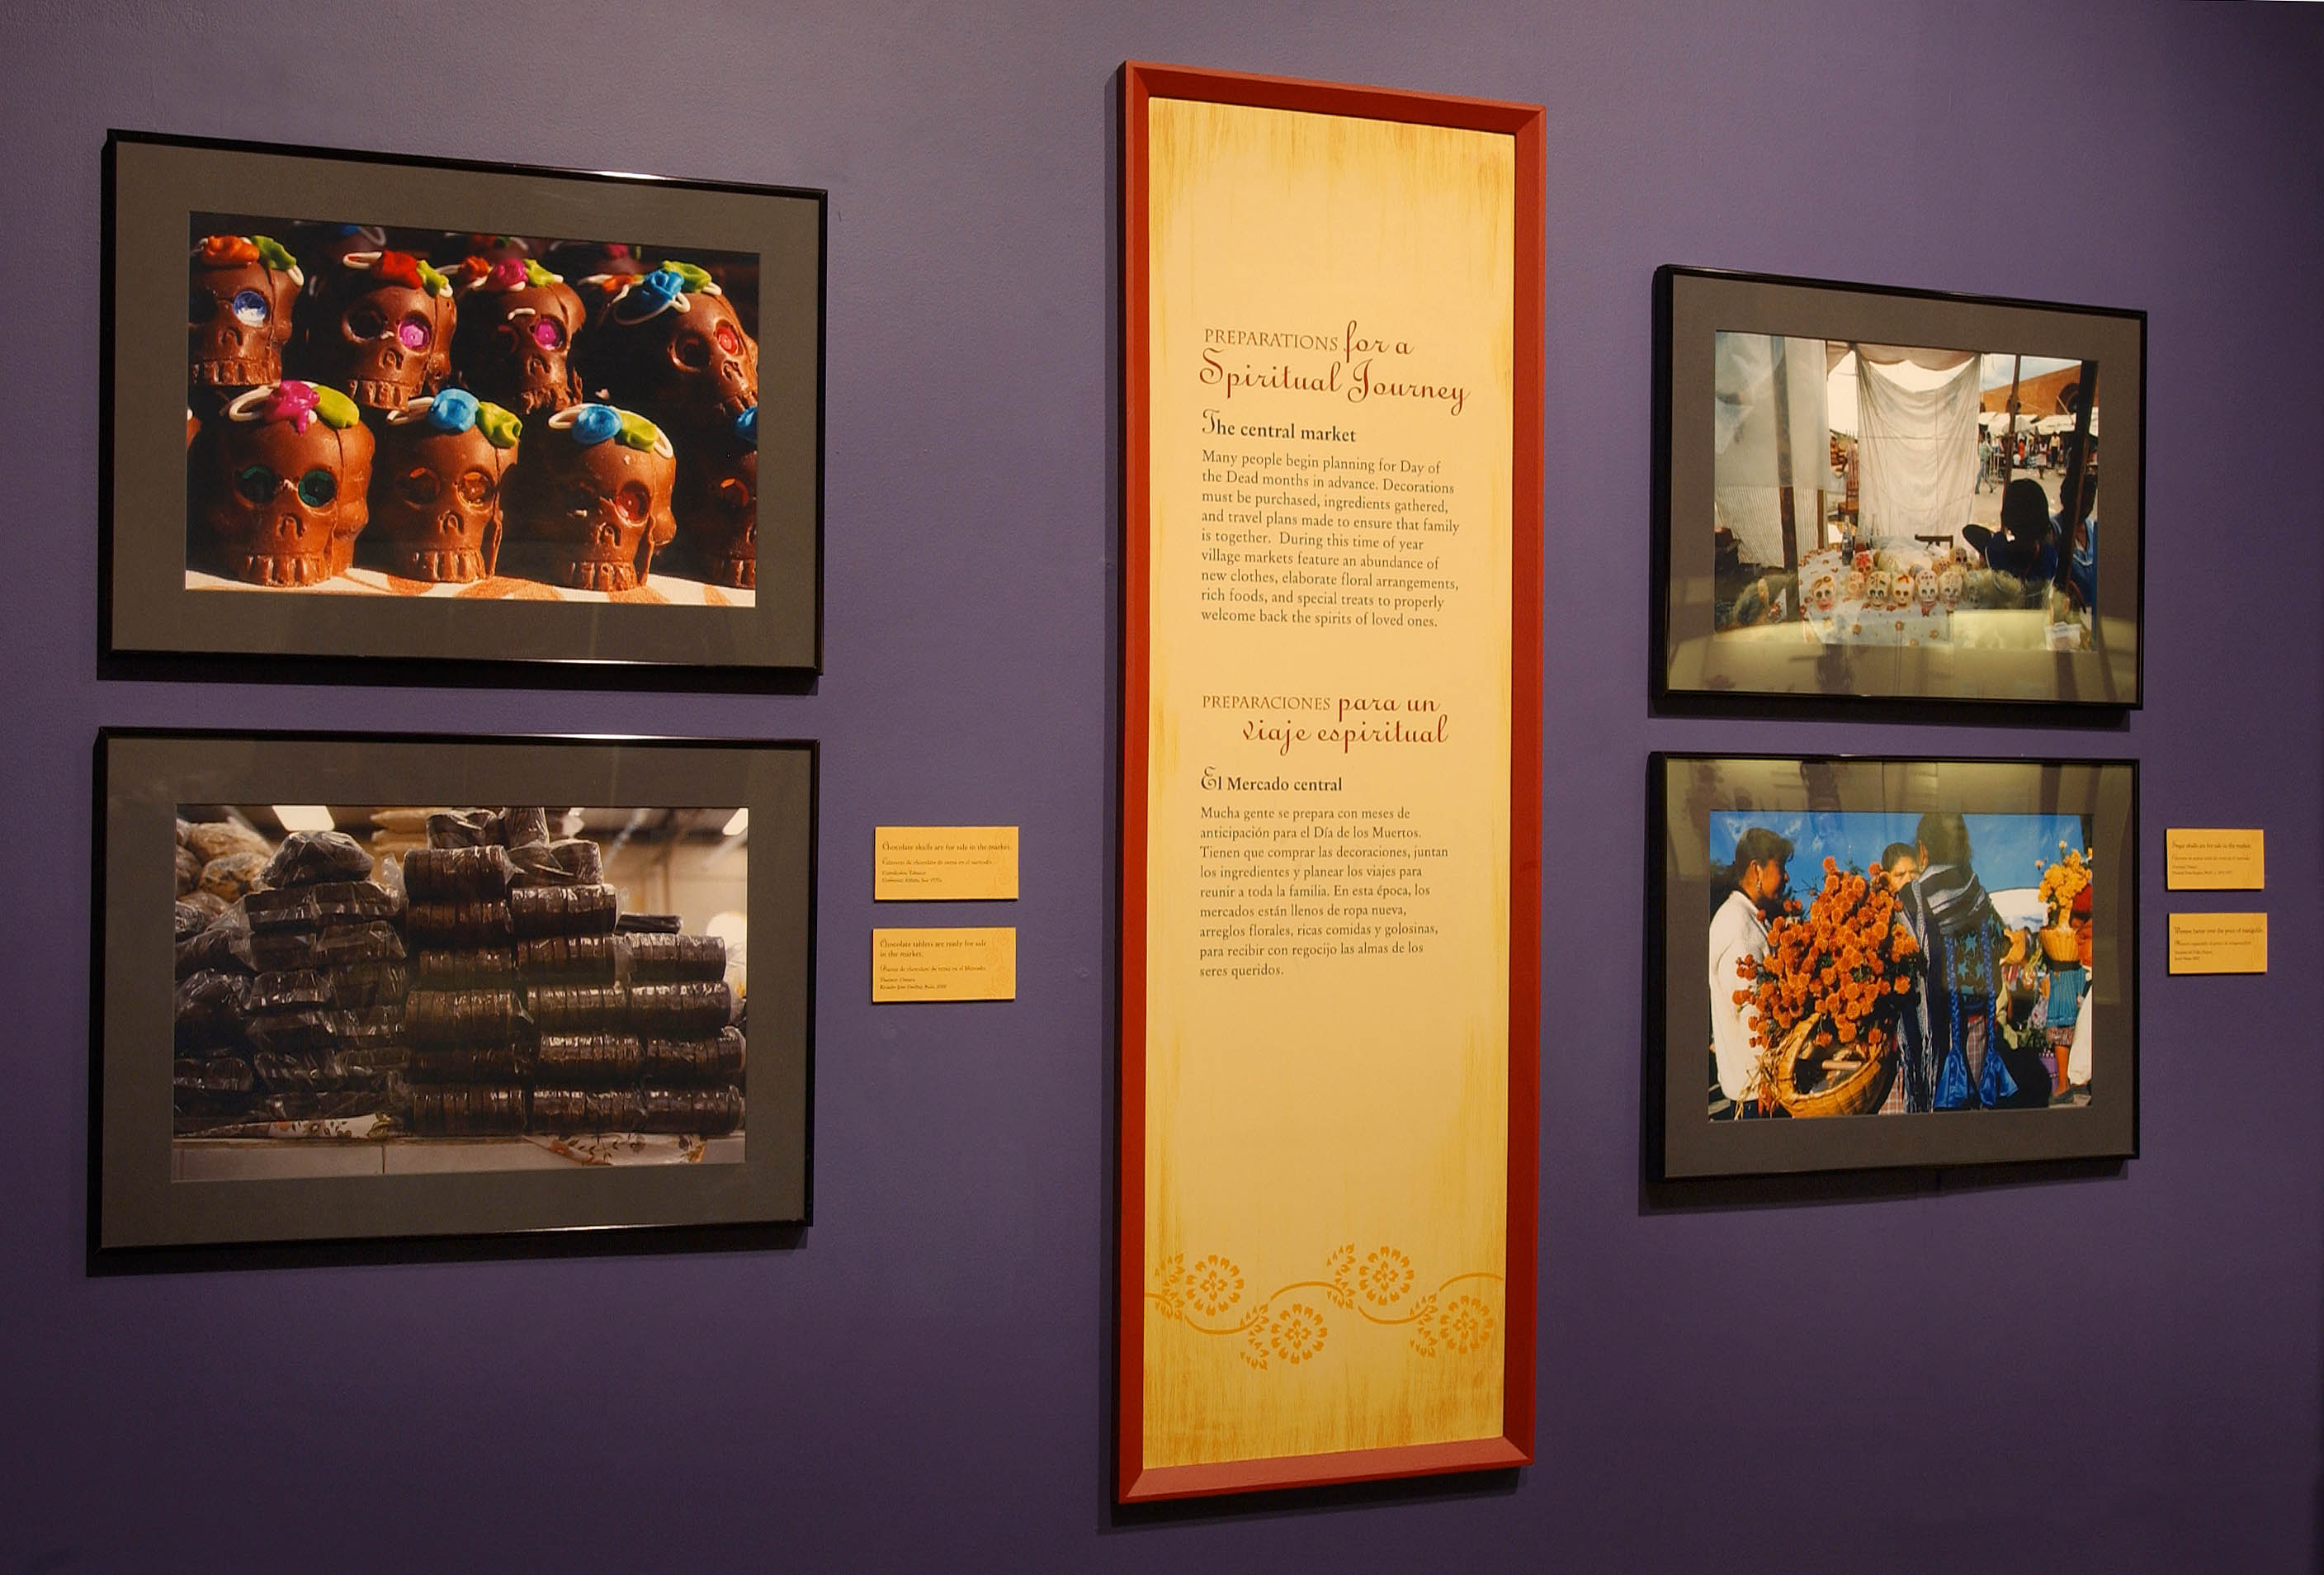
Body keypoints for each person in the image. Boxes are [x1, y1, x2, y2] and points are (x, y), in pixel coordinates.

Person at [1893, 813, 2028, 1111]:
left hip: (1932, 1035)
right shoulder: (1977, 893)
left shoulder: (1910, 899)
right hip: (1976, 1027)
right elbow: (1997, 945)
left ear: (1923, 850)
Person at [1709, 827, 1791, 1117]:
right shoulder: (1739, 926)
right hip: (1758, 1096)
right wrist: (1768, 1079)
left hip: (1757, 1090)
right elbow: (1751, 1012)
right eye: (1780, 867)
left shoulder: (1747, 918)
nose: (1786, 877)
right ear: (1756, 868)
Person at [1962, 477, 2061, 583]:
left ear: (2006, 516)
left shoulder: (1999, 555)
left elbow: (1969, 531)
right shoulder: (2048, 557)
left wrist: (1997, 537)